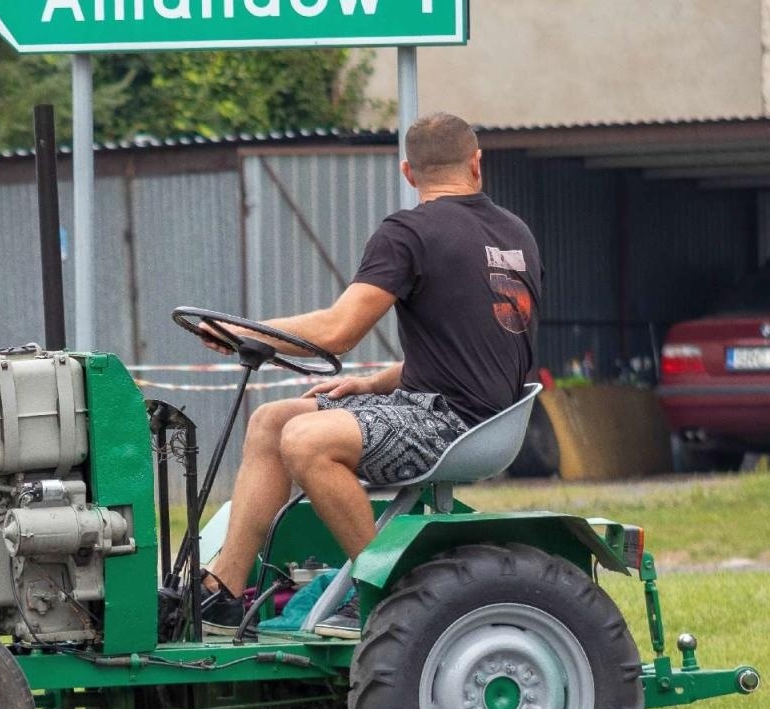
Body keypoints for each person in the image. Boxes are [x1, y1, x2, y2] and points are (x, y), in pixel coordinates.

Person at [196, 111, 542, 638]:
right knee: (271, 420)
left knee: (306, 440)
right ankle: (221, 591)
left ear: (408, 172)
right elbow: (473, 350)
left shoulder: (409, 232)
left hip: (453, 423)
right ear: (477, 163)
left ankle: (384, 588)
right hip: (481, 414)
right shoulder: (517, 233)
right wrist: (371, 384)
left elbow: (338, 331)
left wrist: (244, 330)